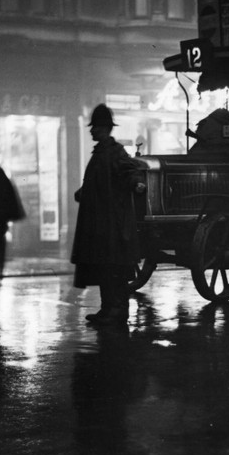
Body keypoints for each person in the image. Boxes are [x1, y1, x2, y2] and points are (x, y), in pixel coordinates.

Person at [71, 104, 147, 326]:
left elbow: (128, 172)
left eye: (95, 127)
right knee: (106, 266)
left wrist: (137, 184)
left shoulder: (114, 152)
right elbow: (98, 182)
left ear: (103, 129)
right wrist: (83, 192)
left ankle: (118, 310)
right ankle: (108, 309)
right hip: (102, 223)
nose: (91, 131)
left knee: (115, 267)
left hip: (112, 223)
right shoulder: (102, 153)